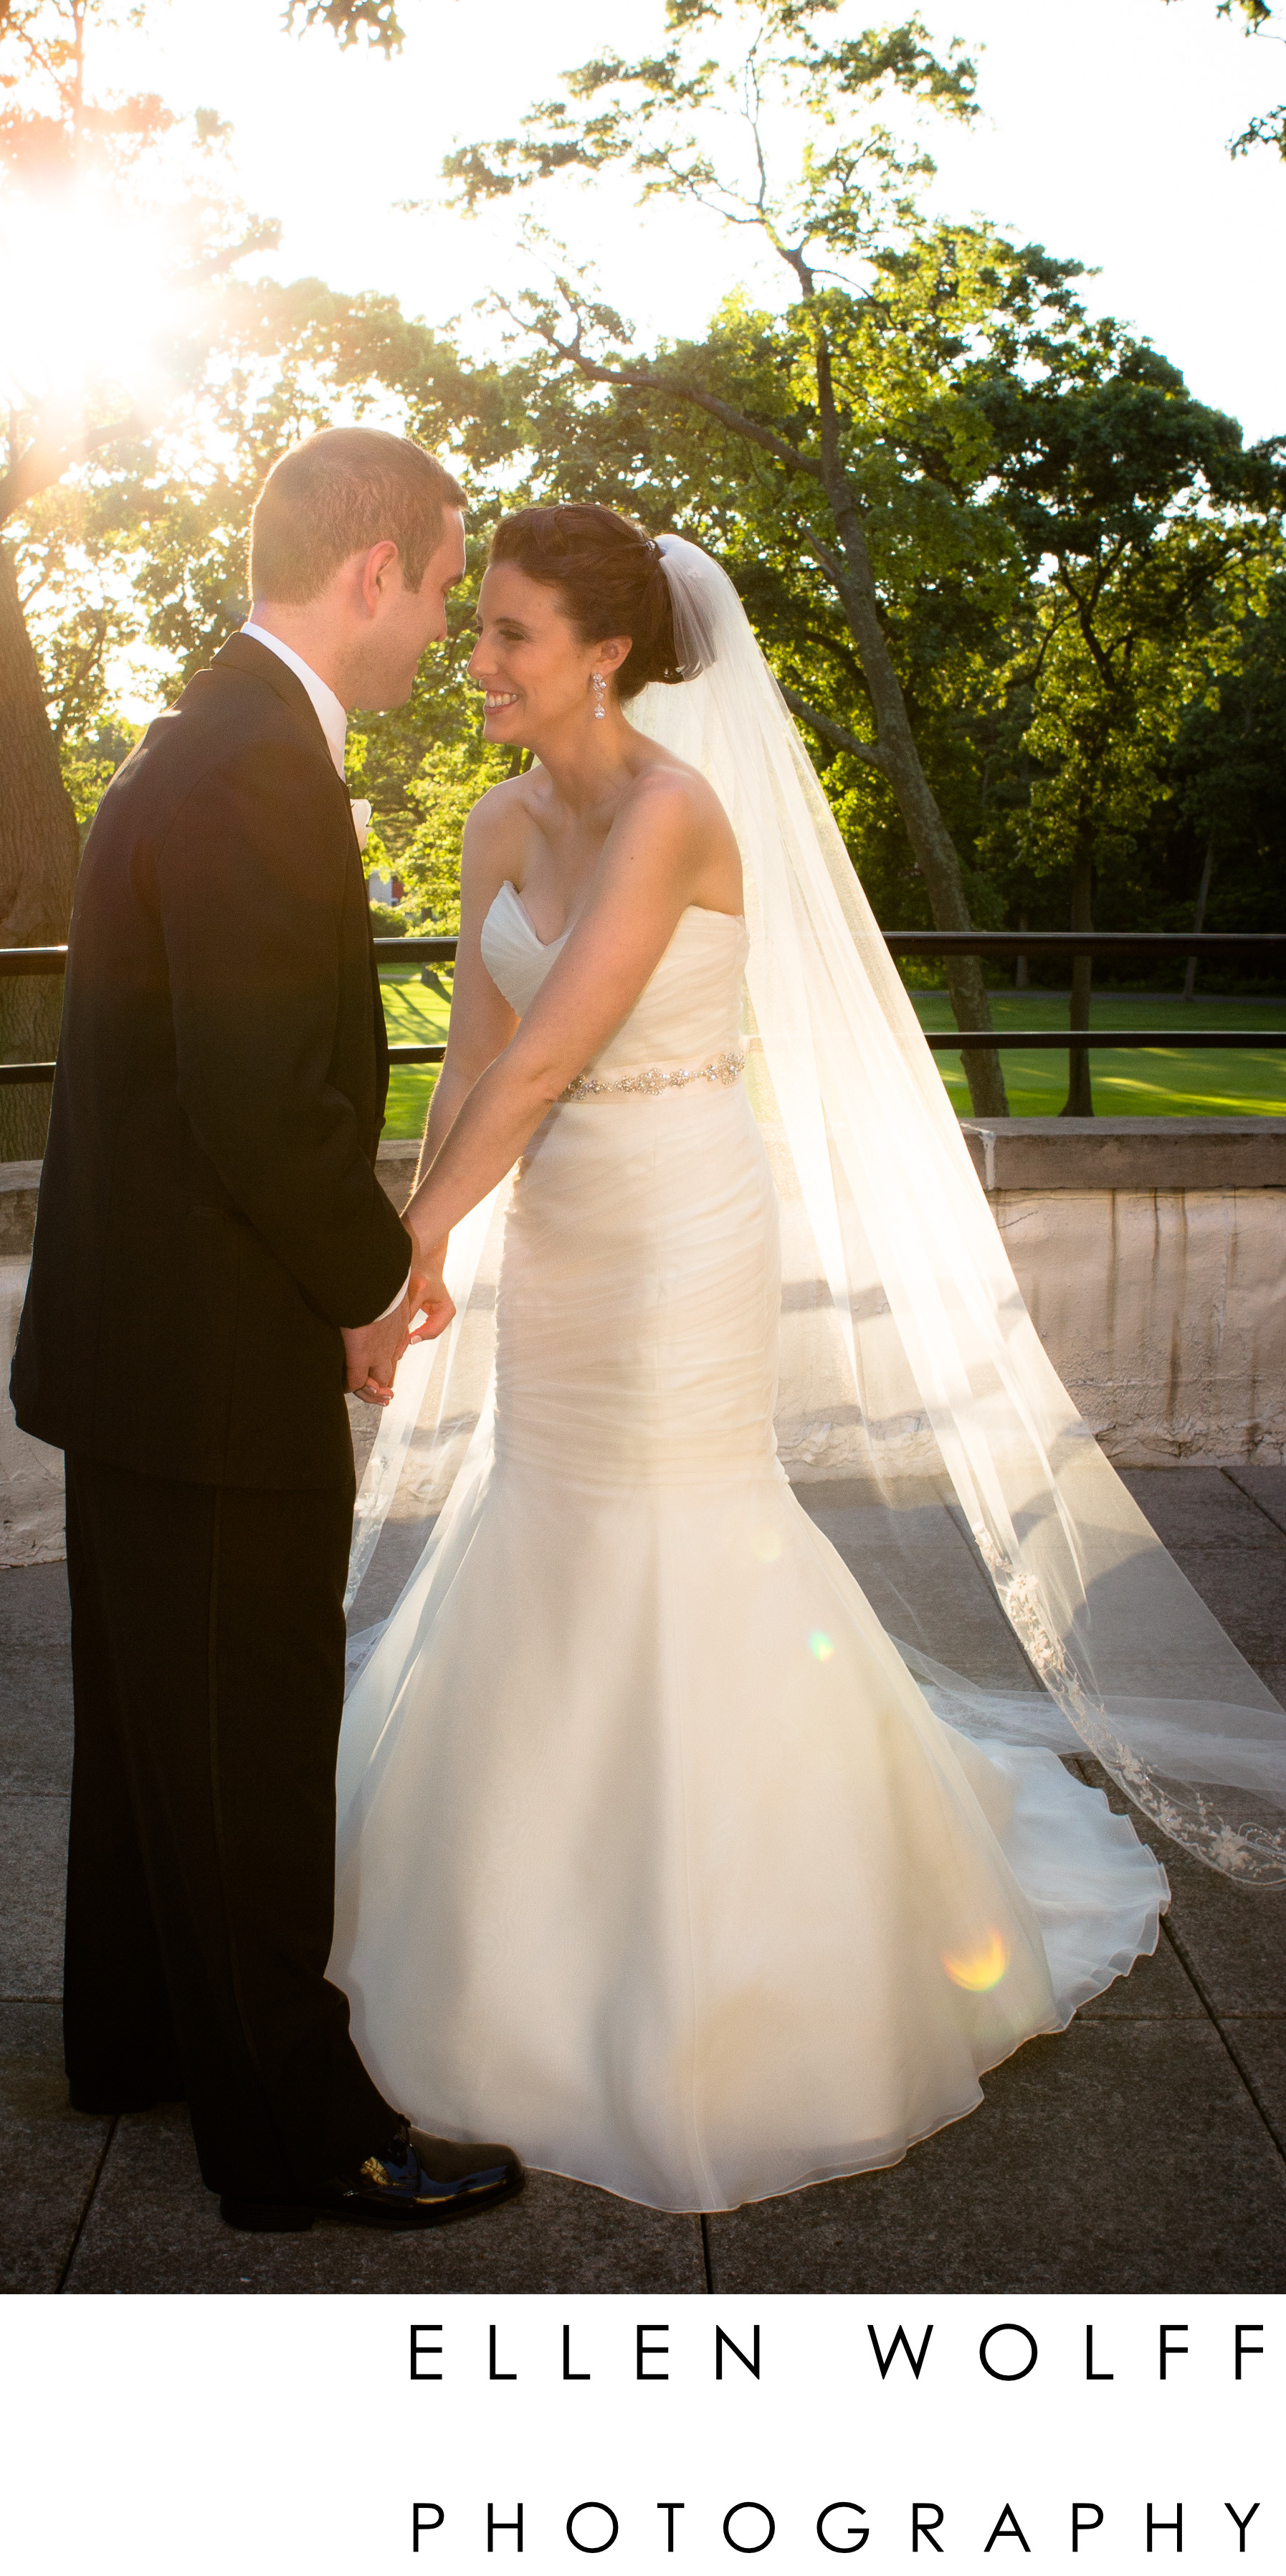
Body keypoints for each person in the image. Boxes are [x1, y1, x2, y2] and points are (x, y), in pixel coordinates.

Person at [329, 505, 1286, 2215]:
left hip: (681, 1213)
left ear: (607, 652)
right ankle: (507, 1903)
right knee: (541, 1516)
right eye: (477, 626)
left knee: (680, 1528)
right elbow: (469, 1065)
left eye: (514, 634)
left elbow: (551, 1060)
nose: (475, 660)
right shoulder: (488, 823)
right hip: (556, 1232)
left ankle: (760, 1942)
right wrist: (421, 1242)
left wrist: (396, 1262)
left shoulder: (673, 818)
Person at [10, 427, 522, 2233]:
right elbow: (257, 1101)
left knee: (154, 1716)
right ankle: (297, 2138)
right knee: (244, 1734)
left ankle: (138, 2037)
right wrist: (377, 1289)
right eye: (444, 582)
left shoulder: (216, 734)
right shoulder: (254, 768)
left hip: (139, 1341)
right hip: (210, 1355)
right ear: (370, 567)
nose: (442, 627)